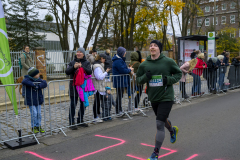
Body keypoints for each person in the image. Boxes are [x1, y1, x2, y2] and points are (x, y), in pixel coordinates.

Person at [136, 40, 182, 160]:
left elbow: (178, 73)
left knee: (159, 124)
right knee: (162, 120)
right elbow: (138, 80)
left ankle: (155, 153)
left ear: (159, 49)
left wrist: (169, 80)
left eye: (155, 46)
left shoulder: (168, 62)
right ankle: (172, 130)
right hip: (153, 97)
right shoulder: (144, 64)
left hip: (166, 97)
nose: (152, 47)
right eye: (151, 46)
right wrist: (146, 77)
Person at [66, 47, 92, 130]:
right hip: (73, 87)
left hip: (83, 87)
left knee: (83, 104)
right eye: (77, 52)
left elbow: (89, 71)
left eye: (80, 52)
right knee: (73, 104)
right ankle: (71, 122)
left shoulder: (87, 62)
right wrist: (73, 67)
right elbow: (67, 72)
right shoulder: (72, 62)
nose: (78, 53)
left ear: (83, 54)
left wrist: (82, 67)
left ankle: (80, 120)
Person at [22, 67, 47, 134]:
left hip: (38, 99)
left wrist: (38, 86)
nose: (38, 75)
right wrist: (34, 85)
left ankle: (39, 126)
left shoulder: (38, 79)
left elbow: (44, 83)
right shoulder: (27, 79)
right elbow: (24, 81)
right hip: (31, 100)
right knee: (34, 114)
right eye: (37, 74)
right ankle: (34, 127)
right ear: (33, 75)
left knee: (39, 114)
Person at [112, 47, 134, 115]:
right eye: (124, 52)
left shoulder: (120, 59)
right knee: (119, 96)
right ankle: (118, 111)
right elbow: (122, 71)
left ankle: (119, 110)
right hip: (119, 81)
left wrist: (127, 68)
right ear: (122, 53)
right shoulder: (118, 60)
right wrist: (129, 70)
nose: (125, 53)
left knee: (120, 96)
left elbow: (123, 69)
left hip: (121, 81)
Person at [91, 53, 111, 123]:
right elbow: (99, 77)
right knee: (97, 102)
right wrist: (106, 72)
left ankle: (99, 115)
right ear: (101, 58)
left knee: (99, 102)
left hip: (99, 86)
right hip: (98, 87)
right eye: (104, 59)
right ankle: (95, 116)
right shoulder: (97, 66)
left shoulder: (98, 65)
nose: (105, 60)